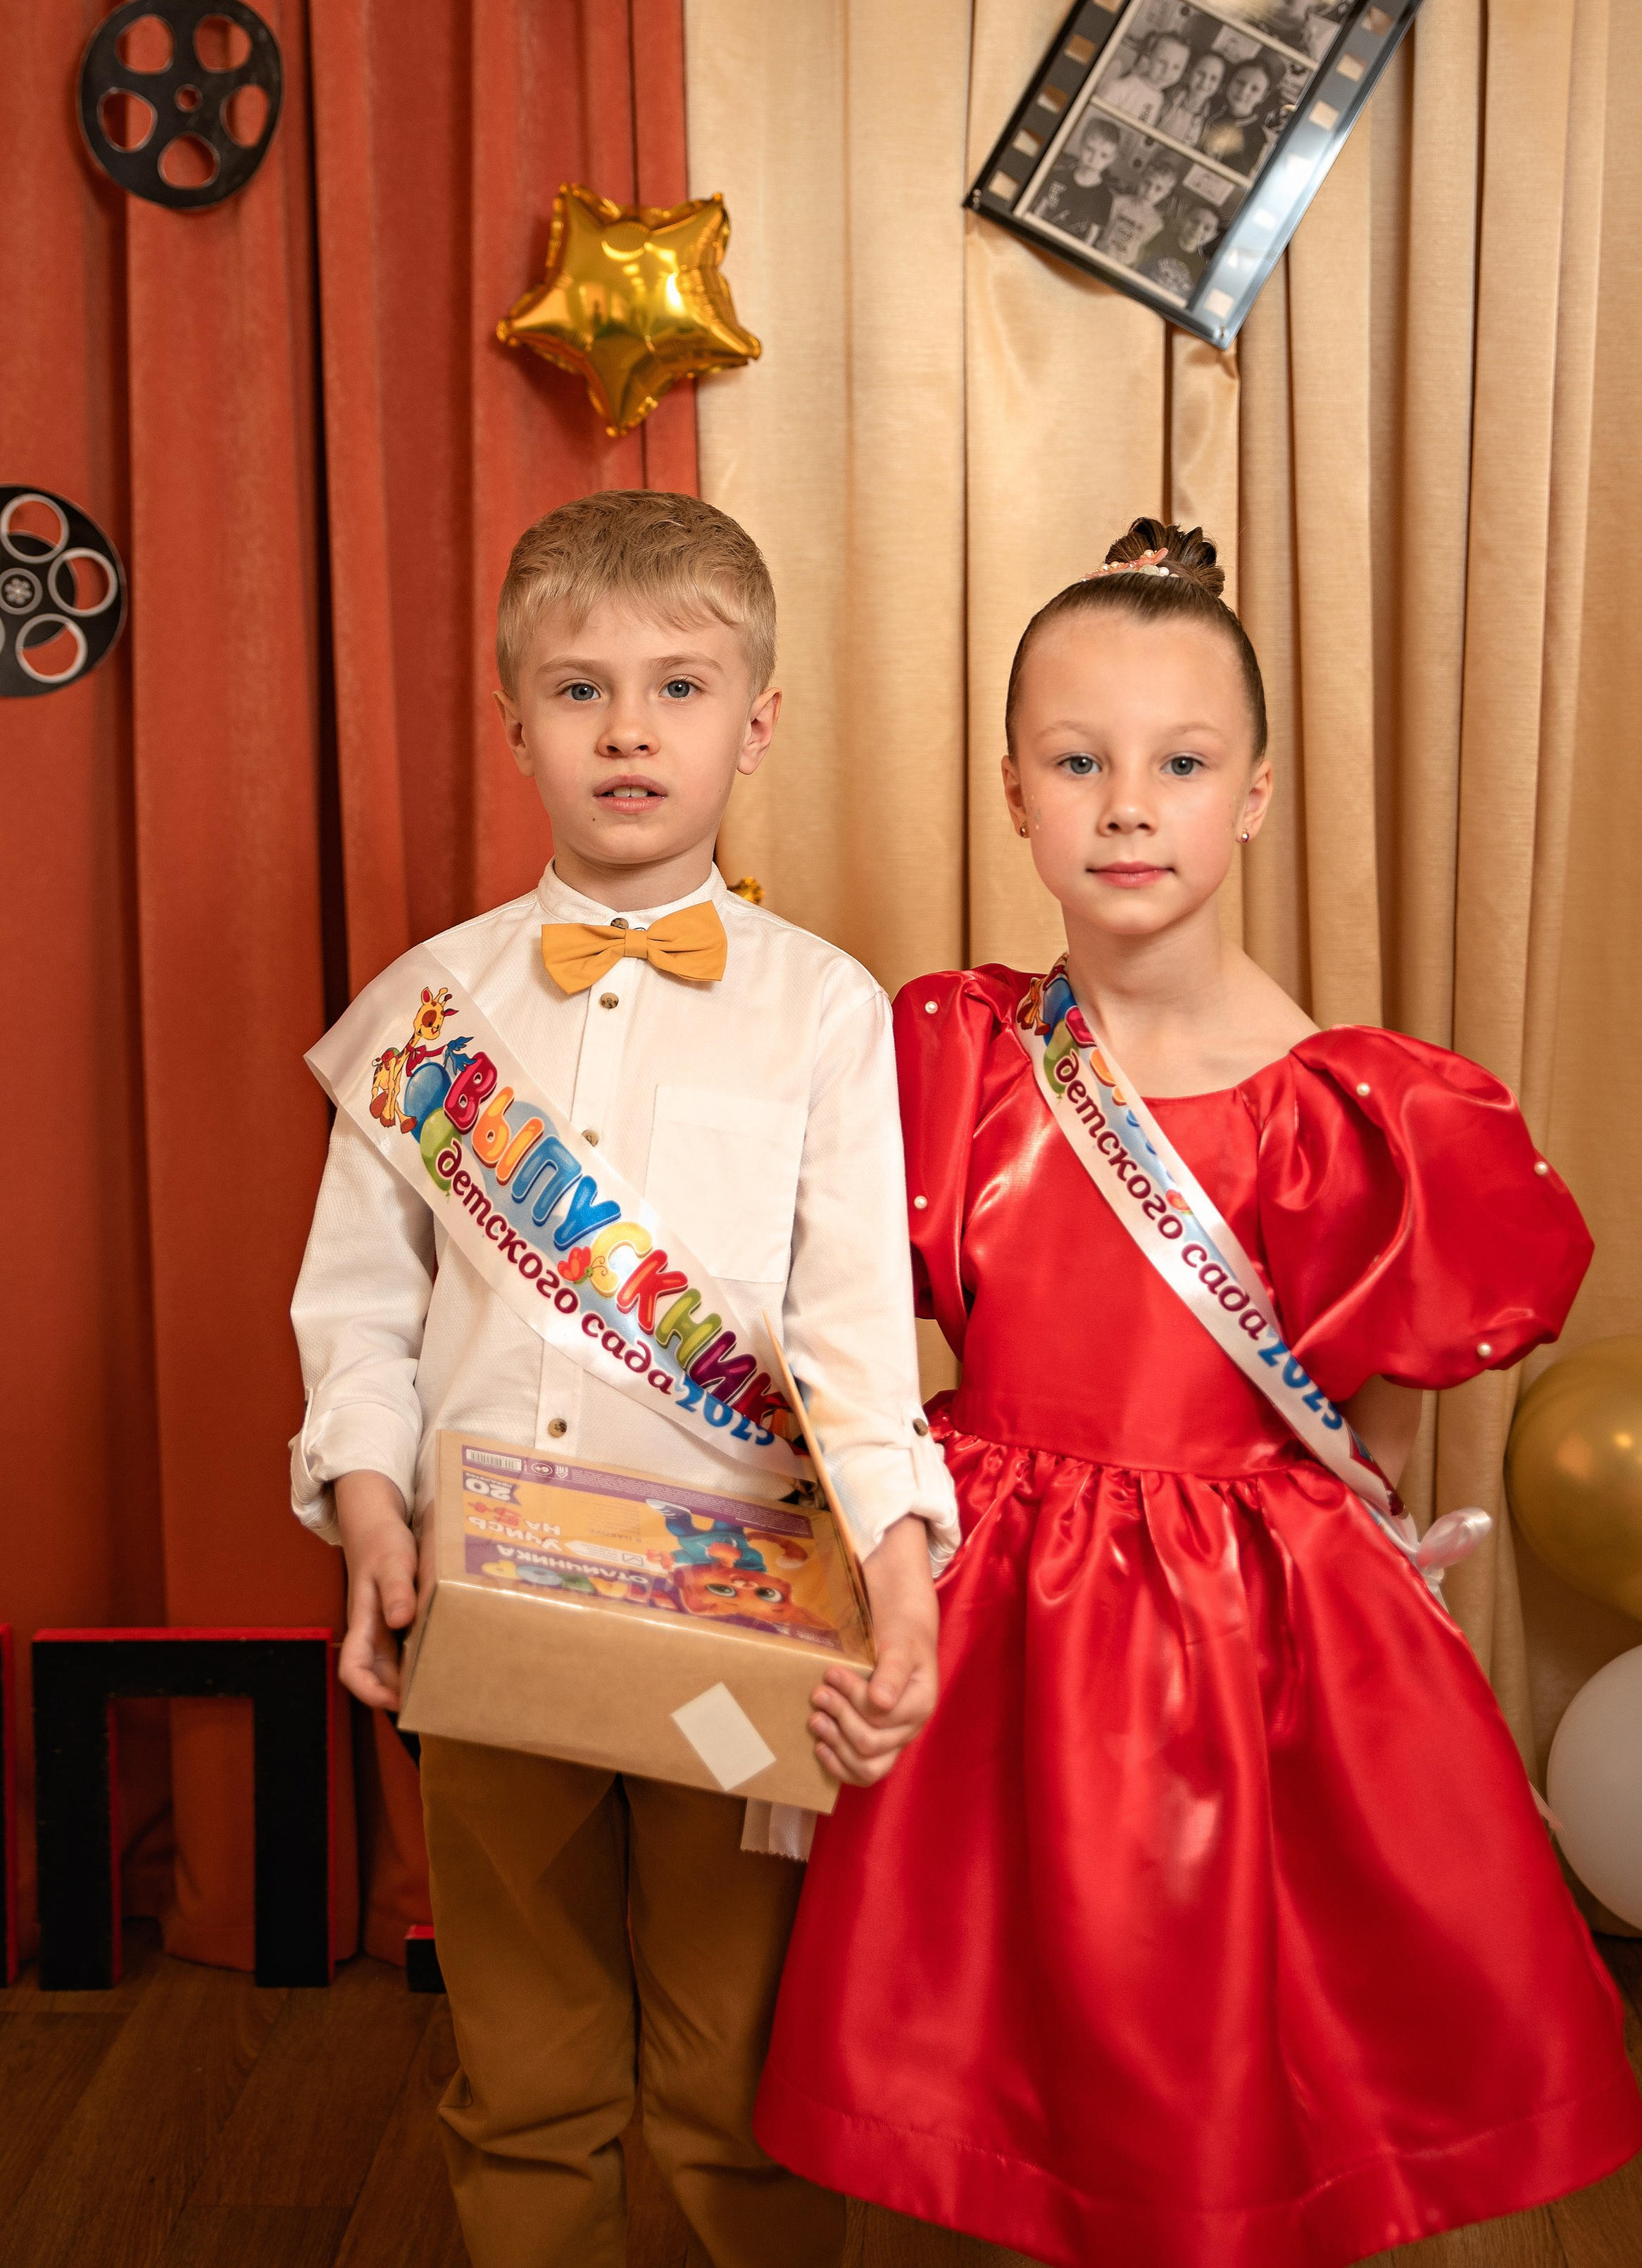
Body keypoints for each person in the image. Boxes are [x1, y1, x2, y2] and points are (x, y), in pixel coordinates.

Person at [758, 516, 1642, 2268]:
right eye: (1076, 761)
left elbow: (1369, 1439)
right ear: (1011, 787)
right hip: (1002, 1587)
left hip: (1260, 1615)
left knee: (1231, 1998)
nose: (1123, 806)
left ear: (1249, 793)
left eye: (1177, 763)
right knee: (1015, 2008)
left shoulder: (1364, 1109)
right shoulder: (953, 1053)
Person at [289, 489, 957, 2268]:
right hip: (488, 1609)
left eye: (676, 685)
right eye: (578, 689)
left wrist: (899, 1575)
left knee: (738, 2078)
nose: (628, 727)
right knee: (519, 2067)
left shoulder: (826, 1009)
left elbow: (850, 1337)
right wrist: (367, 1509)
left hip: (736, 1630)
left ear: (756, 721)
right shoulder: (425, 1008)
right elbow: (353, 1307)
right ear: (513, 720)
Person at [1032, 111, 1122, 245]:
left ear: (1112, 159)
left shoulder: (1104, 197)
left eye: (1103, 155)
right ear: (1081, 144)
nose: (1094, 159)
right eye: (1090, 149)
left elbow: (1091, 236)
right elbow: (1039, 210)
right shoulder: (1057, 176)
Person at [1198, 55, 1277, 174]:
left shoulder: (1259, 138)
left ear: (1262, 97)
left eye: (1254, 89)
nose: (1244, 91)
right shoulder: (1207, 111)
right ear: (1230, 82)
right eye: (1240, 82)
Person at [1101, 27, 1191, 125]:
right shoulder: (1122, 87)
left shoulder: (1161, 100)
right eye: (1162, 62)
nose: (1167, 72)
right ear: (1149, 56)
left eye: (1176, 67)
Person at [1158, 44, 1226, 149]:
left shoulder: (1211, 120)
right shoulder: (1168, 96)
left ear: (1219, 86)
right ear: (1191, 71)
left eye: (1213, 79)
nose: (1205, 82)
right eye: (1201, 73)